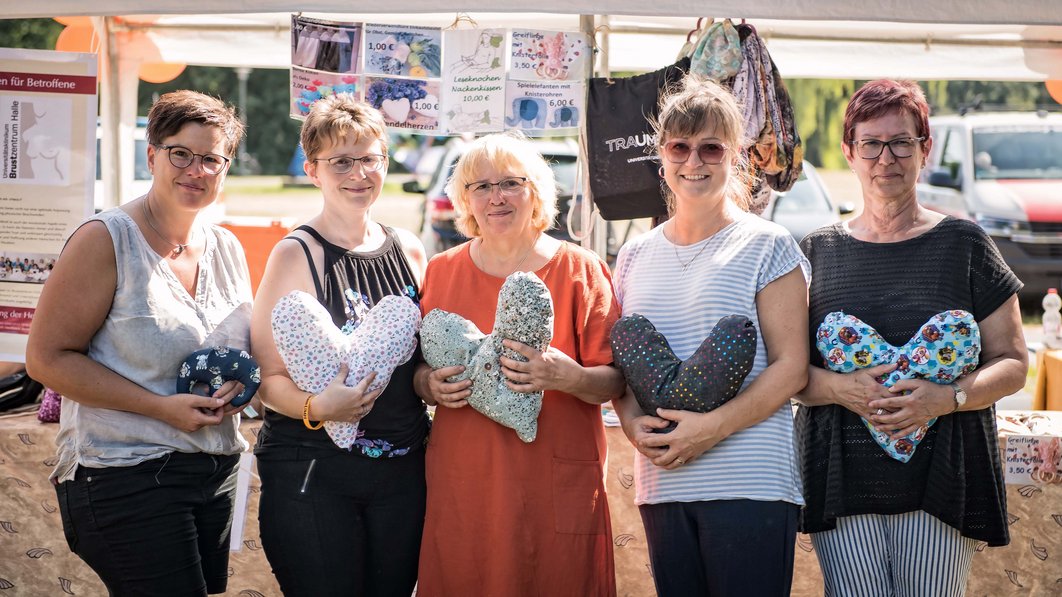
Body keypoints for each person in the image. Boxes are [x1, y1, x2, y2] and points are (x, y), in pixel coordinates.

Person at [795, 79, 1027, 595]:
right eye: (870, 143)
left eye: (901, 142)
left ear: (925, 149)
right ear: (849, 153)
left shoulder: (965, 244)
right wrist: (838, 388)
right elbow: (787, 374)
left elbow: (1013, 360)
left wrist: (948, 398)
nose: (886, 158)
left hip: (942, 479)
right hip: (843, 481)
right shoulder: (816, 252)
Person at [25, 90, 251, 595]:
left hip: (214, 467)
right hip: (125, 473)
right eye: (181, 154)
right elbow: (45, 359)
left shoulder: (227, 247)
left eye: (212, 158)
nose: (196, 169)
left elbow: (232, 350)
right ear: (152, 155)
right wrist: (159, 408)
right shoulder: (105, 240)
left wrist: (240, 386)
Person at [610, 76, 810, 596]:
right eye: (680, 146)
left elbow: (792, 366)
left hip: (752, 484)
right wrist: (634, 428)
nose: (693, 160)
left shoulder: (768, 244)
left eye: (710, 147)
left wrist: (711, 429)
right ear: (661, 154)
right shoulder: (633, 256)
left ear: (735, 154)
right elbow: (627, 375)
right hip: (664, 483)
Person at [414, 132, 625, 596]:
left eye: (511, 183)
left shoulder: (581, 269)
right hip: (466, 479)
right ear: (465, 200)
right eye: (481, 187)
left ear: (537, 193)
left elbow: (614, 381)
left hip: (551, 482)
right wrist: (428, 384)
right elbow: (415, 371)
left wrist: (568, 377)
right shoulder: (441, 270)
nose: (497, 197)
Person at [249, 93, 429, 597]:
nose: (358, 173)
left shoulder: (409, 248)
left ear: (386, 162)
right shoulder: (295, 255)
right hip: (314, 470)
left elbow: (415, 361)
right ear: (313, 169)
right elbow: (269, 380)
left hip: (402, 469)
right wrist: (318, 406)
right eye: (340, 161)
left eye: (369, 158)